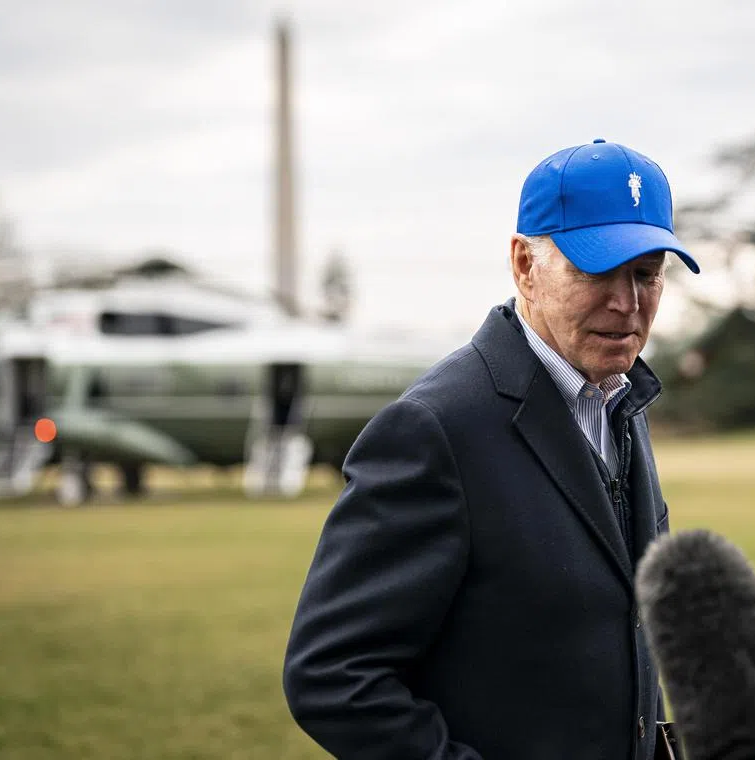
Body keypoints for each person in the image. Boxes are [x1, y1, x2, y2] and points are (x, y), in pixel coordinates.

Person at [283, 138, 701, 760]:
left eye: (646, 274)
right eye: (597, 271)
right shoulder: (432, 429)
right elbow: (331, 677)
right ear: (524, 264)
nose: (627, 303)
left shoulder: (618, 398)